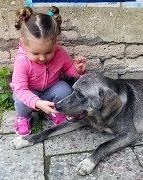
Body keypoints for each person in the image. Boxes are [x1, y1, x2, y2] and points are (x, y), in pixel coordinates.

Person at [10, 6, 86, 136]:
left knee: (65, 90)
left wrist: (77, 71)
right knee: (20, 99)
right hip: (29, 91)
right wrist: (37, 102)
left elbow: (68, 68)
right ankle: (23, 117)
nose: (42, 57)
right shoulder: (22, 62)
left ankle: (54, 111)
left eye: (48, 52)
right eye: (35, 53)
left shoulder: (60, 53)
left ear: (56, 42)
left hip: (51, 88)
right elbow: (20, 89)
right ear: (23, 43)